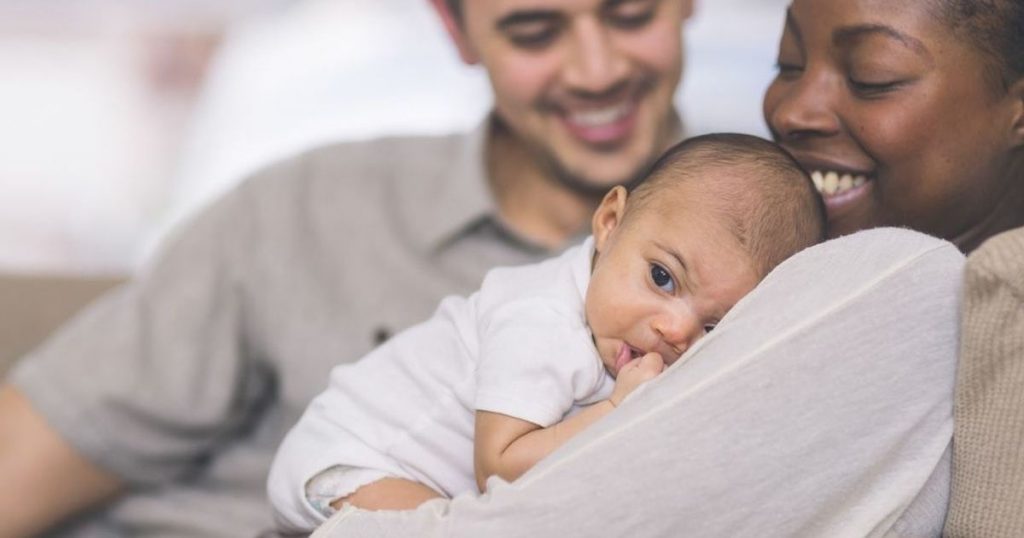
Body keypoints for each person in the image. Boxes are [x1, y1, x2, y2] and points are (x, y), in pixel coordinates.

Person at [297, 0, 1024, 535]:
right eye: (786, 65)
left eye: (871, 76)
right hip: (345, 472)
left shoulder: (901, 285)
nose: (796, 108)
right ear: (609, 224)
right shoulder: (546, 313)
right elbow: (512, 477)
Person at [0, 0, 694, 536]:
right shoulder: (303, 208)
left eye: (631, 13)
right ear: (456, 32)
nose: (597, 69)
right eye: (534, 32)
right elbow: (23, 461)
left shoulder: (780, 273)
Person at [268, 133, 825, 532]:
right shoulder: (543, 319)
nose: (675, 330)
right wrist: (614, 415)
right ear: (609, 223)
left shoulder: (619, 339)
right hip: (351, 461)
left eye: (715, 326)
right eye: (662, 277)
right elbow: (501, 465)